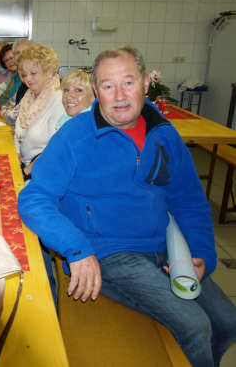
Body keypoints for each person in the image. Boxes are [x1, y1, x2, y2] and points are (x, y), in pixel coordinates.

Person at [18, 45, 236, 367]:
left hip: (165, 246)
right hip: (110, 252)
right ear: (96, 91)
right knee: (196, 326)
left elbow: (188, 199)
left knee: (227, 322)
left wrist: (202, 252)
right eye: (108, 86)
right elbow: (34, 197)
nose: (119, 95)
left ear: (146, 84)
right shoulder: (75, 136)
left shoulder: (164, 133)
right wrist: (77, 249)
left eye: (129, 82)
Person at [14, 44, 65, 183]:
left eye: (33, 73)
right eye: (25, 74)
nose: (28, 79)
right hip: (24, 165)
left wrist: (25, 173)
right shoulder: (29, 97)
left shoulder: (58, 101)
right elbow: (20, 133)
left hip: (41, 174)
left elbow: (53, 151)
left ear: (49, 71)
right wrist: (17, 152)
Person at [0, 39, 36, 126]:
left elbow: (13, 118)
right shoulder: (19, 80)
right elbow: (3, 101)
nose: (21, 56)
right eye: (17, 53)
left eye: (33, 73)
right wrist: (9, 109)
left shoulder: (33, 86)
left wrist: (9, 111)